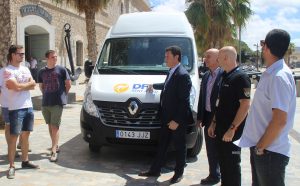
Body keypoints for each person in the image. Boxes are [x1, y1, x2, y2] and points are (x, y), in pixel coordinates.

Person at [237, 29, 296, 186]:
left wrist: (261, 147)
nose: (262, 48)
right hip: (264, 149)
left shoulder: (278, 77)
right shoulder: (272, 73)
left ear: (266, 48)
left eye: (263, 44)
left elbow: (280, 120)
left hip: (269, 151)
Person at [139, 46, 194, 184]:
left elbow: (184, 101)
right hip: (166, 117)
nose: (165, 59)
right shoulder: (172, 71)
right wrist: (154, 86)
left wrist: (177, 120)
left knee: (180, 147)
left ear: (177, 57)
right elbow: (167, 86)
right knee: (162, 145)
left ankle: (178, 173)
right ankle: (155, 170)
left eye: (167, 56)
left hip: (176, 120)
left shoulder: (182, 75)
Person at [208, 46, 251, 186]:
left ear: (226, 58)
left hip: (231, 132)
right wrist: (213, 122)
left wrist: (232, 128)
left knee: (232, 166)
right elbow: (219, 103)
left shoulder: (241, 77)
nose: (217, 59)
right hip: (220, 129)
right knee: (224, 164)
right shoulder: (225, 76)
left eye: (219, 56)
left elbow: (245, 105)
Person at [5, 45, 39, 179]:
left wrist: (21, 86)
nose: (22, 56)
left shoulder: (25, 68)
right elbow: (15, 87)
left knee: (26, 135)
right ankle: (12, 166)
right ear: (13, 55)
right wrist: (26, 86)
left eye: (23, 54)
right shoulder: (7, 71)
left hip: (28, 107)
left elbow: (33, 84)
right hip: (15, 108)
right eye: (20, 54)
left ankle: (25, 161)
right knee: (13, 138)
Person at [37, 50, 71, 162]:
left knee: (55, 126)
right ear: (47, 58)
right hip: (46, 102)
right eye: (52, 57)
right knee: (50, 125)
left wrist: (63, 95)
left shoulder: (62, 69)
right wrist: (46, 95)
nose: (55, 58)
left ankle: (53, 151)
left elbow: (68, 84)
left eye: (56, 56)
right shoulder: (41, 72)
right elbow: (41, 86)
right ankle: (55, 145)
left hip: (57, 102)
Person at [197, 48, 222, 185]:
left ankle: (224, 173)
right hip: (207, 118)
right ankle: (214, 174)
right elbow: (202, 97)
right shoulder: (206, 75)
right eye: (205, 56)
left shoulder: (224, 75)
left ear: (218, 59)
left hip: (219, 119)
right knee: (210, 150)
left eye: (208, 56)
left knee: (221, 150)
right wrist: (200, 117)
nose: (205, 59)